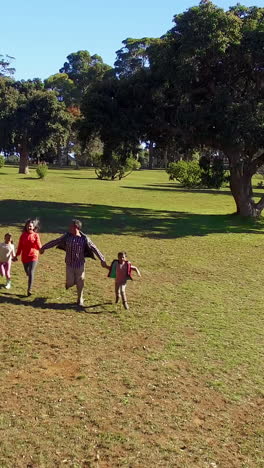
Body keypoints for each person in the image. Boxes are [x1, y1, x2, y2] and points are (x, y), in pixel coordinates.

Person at [40, 219, 106, 307]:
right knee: (70, 283)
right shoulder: (67, 236)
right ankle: (71, 283)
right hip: (69, 264)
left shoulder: (84, 238)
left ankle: (80, 299)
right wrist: (44, 247)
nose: (69, 228)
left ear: (76, 227)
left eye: (71, 226)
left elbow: (94, 248)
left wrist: (102, 259)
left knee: (81, 280)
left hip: (80, 264)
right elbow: (56, 241)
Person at [14, 219, 42, 296]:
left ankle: (29, 290)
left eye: (30, 226)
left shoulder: (36, 235)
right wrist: (16, 255)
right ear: (26, 227)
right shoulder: (23, 236)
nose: (29, 227)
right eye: (28, 226)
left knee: (31, 272)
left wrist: (41, 250)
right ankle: (29, 277)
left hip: (33, 256)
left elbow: (39, 244)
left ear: (33, 227)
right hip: (25, 257)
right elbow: (20, 247)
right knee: (27, 272)